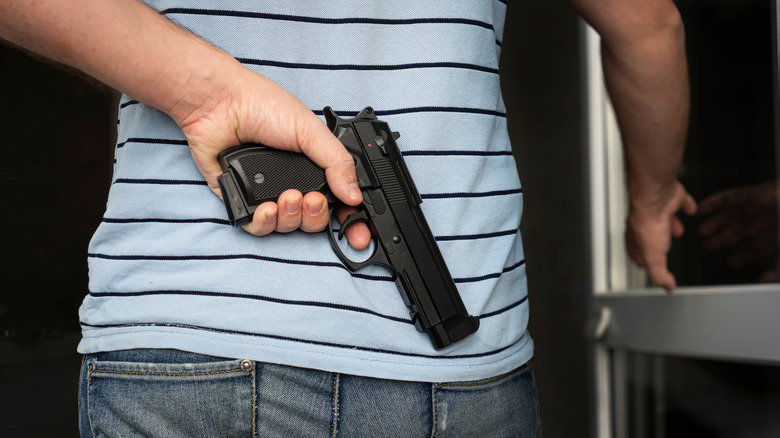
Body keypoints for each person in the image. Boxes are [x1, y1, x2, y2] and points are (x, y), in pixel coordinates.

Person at [0, 0, 696, 436]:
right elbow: (651, 27)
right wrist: (652, 199)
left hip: (195, 346)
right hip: (465, 380)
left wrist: (200, 94)